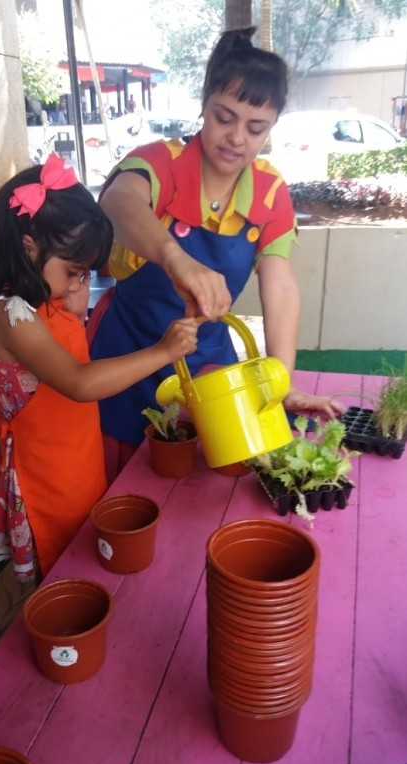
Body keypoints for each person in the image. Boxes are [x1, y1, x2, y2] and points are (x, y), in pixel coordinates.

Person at [88, 27, 343, 483]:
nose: (236, 138)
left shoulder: (270, 192)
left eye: (255, 127)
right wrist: (175, 257)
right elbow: (118, 202)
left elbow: (280, 285)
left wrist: (278, 382)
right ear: (204, 107)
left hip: (208, 371)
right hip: (126, 358)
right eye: (224, 117)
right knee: (127, 483)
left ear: (272, 127)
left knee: (209, 487)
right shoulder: (162, 163)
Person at [0, 154, 198, 582]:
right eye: (73, 271)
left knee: (85, 548)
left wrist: (72, 305)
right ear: (29, 247)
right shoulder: (10, 313)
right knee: (62, 568)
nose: (77, 284)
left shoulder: (30, 296)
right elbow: (79, 382)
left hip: (74, 455)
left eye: (85, 274)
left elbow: (65, 340)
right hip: (45, 472)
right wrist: (162, 352)